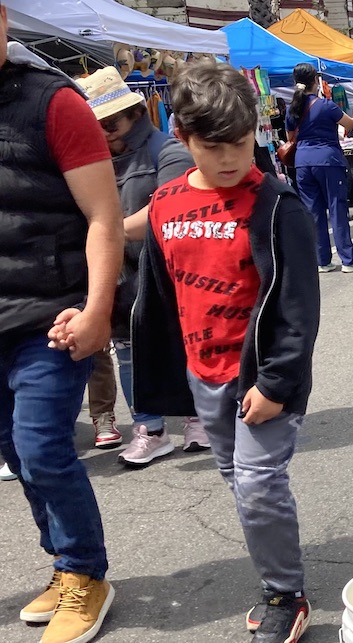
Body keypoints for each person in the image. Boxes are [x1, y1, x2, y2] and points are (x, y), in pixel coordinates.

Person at [132, 61, 320, 643]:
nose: (232, 158)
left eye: (241, 143)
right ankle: (275, 573)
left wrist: (277, 381)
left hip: (261, 378)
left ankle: (284, 594)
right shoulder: (166, 203)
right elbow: (155, 292)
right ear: (183, 138)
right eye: (214, 147)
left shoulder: (275, 204)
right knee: (238, 482)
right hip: (200, 373)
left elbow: (298, 305)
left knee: (259, 483)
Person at [2, 14, 122, 643]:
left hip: (52, 313)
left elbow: (104, 215)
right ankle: (63, 563)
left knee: (42, 446)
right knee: (18, 456)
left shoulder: (54, 101)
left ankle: (86, 575)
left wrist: (97, 309)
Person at [78, 66, 210, 468]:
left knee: (183, 346)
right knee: (128, 352)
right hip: (119, 275)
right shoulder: (94, 159)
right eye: (96, 123)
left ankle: (199, 418)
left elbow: (166, 211)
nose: (104, 131)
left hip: (166, 272)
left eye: (111, 122)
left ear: (134, 112)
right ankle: (150, 429)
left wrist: (108, 231)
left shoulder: (167, 152)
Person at [287, 63, 353, 273]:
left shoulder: (292, 108)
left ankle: (322, 260)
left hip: (303, 162)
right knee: (337, 209)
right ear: (316, 81)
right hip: (328, 160)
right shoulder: (326, 105)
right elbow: (350, 124)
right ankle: (348, 260)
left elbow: (289, 138)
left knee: (314, 212)